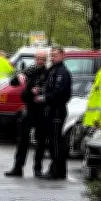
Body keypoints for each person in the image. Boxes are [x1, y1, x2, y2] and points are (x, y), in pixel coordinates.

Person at [5, 50, 48, 178]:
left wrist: (40, 90)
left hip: (42, 110)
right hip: (29, 108)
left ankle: (38, 169)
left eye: (42, 59)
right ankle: (18, 167)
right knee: (23, 139)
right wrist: (19, 76)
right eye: (38, 58)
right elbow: (13, 83)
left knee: (40, 141)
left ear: (46, 60)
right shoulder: (31, 70)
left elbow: (52, 89)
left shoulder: (48, 73)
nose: (40, 61)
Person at [36, 47, 72, 180]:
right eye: (51, 55)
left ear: (62, 55)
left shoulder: (62, 72)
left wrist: (44, 98)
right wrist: (40, 90)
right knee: (52, 142)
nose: (52, 57)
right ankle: (56, 169)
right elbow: (47, 86)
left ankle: (57, 171)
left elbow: (58, 92)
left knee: (56, 142)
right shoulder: (52, 70)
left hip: (57, 109)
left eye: (55, 55)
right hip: (50, 110)